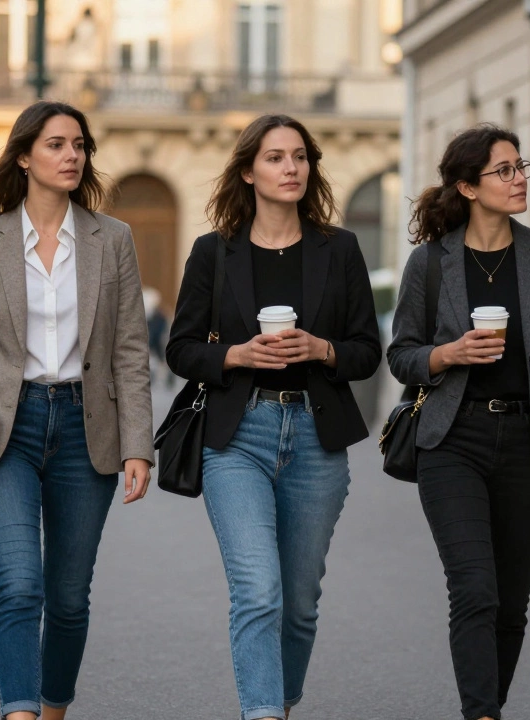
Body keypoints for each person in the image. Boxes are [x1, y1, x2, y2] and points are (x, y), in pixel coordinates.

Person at [0, 100, 154, 720]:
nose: (71, 156)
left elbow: (131, 350)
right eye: (56, 144)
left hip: (88, 429)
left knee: (70, 598)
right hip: (6, 428)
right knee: (20, 585)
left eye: (79, 145)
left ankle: (52, 709)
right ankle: (19, 712)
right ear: (24, 157)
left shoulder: (114, 239)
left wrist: (140, 444)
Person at [165, 114, 380, 720]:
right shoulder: (214, 252)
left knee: (298, 602)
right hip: (238, 437)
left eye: (300, 157)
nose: (291, 168)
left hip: (317, 437)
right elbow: (180, 348)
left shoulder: (339, 249)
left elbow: (367, 350)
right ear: (248, 172)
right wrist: (236, 354)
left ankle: (280, 704)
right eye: (275, 158)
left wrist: (323, 349)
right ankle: (261, 713)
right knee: (257, 590)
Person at [387, 124, 530, 720]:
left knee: (510, 605)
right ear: (468, 186)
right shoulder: (430, 264)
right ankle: (481, 714)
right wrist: (448, 354)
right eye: (504, 170)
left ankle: (487, 706)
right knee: (474, 590)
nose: (520, 177)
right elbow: (401, 353)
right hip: (453, 440)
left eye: (520, 166)